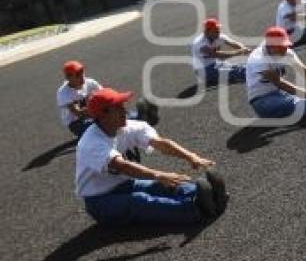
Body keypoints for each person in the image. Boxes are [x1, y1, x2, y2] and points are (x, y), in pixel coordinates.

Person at [75, 87, 228, 226]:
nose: (124, 110)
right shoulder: (91, 143)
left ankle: (209, 195)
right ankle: (195, 208)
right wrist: (158, 174)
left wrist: (191, 157)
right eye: (118, 107)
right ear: (102, 116)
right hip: (100, 201)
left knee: (164, 185)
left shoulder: (126, 127)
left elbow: (160, 143)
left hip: (125, 185)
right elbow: (122, 166)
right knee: (139, 201)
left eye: (122, 105)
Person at [57, 60, 158, 138]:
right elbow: (78, 113)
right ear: (68, 78)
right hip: (77, 124)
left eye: (82, 72)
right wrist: (97, 110)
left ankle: (138, 116)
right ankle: (138, 119)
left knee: (112, 111)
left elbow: (106, 96)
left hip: (92, 115)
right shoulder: (63, 93)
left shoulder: (90, 83)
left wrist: (116, 108)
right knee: (106, 125)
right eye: (78, 74)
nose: (82, 76)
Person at [190, 18, 250, 86]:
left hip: (216, 63)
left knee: (243, 66)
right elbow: (217, 55)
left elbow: (233, 43)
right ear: (207, 32)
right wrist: (239, 52)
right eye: (215, 31)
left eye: (218, 30)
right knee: (238, 72)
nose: (218, 32)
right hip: (205, 70)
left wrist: (244, 48)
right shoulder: (199, 43)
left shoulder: (218, 36)